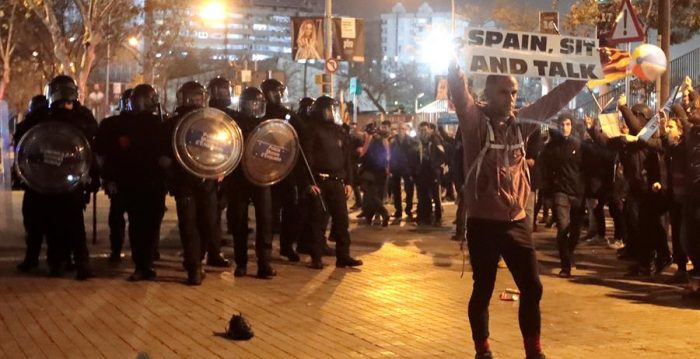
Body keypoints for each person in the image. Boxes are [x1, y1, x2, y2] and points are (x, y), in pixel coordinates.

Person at [448, 62, 586, 359]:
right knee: (483, 288)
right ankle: (482, 348)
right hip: (483, 222)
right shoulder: (473, 122)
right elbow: (459, 93)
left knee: (533, 288)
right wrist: (453, 65)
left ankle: (533, 351)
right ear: (488, 93)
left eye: (514, 92)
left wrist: (586, 72)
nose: (511, 98)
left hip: (516, 222)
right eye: (504, 92)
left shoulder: (520, 123)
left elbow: (556, 99)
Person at [14, 75, 99, 280]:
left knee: (58, 224)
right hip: (57, 180)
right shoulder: (80, 117)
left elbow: (90, 149)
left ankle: (61, 263)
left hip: (57, 180)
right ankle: (76, 264)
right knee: (71, 224)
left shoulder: (46, 116)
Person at [98, 84, 166, 281]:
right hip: (134, 181)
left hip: (151, 181)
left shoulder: (159, 123)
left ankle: (145, 263)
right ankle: (141, 264)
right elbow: (108, 153)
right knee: (138, 225)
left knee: (150, 224)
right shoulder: (120, 124)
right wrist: (109, 177)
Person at [159, 81, 218, 285]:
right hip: (184, 182)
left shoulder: (212, 122)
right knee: (188, 224)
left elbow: (224, 147)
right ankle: (194, 267)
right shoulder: (171, 124)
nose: (194, 101)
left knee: (208, 223)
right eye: (190, 97)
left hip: (207, 181)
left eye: (197, 97)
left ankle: (197, 257)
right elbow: (164, 156)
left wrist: (222, 169)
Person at [304, 95, 363, 269]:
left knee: (342, 221)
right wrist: (309, 182)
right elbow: (306, 159)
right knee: (318, 221)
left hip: (338, 181)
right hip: (319, 182)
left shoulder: (339, 131)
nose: (332, 113)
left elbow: (347, 159)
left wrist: (349, 182)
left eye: (333, 110)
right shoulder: (311, 130)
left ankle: (343, 255)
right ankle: (316, 257)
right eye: (328, 109)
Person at [226, 87, 277, 279]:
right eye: (251, 103)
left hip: (261, 178)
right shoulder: (233, 123)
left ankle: (264, 263)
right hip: (239, 178)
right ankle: (241, 263)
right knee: (239, 221)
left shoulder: (267, 125)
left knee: (265, 220)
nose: (254, 107)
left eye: (258, 103)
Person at [541, 113, 588, 278]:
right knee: (562, 228)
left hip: (578, 193)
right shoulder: (552, 147)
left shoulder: (580, 146)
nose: (564, 128)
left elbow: (587, 170)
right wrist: (547, 191)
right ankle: (565, 265)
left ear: (572, 125)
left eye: (568, 124)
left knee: (575, 230)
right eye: (562, 124)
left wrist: (589, 194)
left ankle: (569, 252)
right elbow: (545, 170)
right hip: (560, 192)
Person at [261, 78, 301, 262]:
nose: (277, 95)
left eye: (279, 91)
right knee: (268, 213)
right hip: (266, 167)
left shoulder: (288, 114)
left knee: (291, 209)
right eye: (273, 92)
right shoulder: (260, 113)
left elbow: (301, 135)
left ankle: (287, 246)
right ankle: (266, 250)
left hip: (287, 168)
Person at [95, 88, 132, 263]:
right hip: (118, 178)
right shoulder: (111, 125)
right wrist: (107, 178)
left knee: (141, 219)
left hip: (141, 179)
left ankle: (146, 251)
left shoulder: (150, 124)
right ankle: (116, 249)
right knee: (117, 218)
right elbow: (102, 154)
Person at [14, 94, 49, 272]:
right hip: (52, 181)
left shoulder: (27, 125)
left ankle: (32, 258)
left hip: (34, 182)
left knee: (33, 224)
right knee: (54, 224)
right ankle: (56, 260)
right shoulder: (55, 123)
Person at [204, 76, 234, 267]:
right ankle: (210, 251)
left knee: (216, 213)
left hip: (228, 171)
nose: (223, 94)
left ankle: (213, 249)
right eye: (219, 91)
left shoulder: (233, 116)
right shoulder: (205, 115)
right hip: (209, 171)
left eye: (226, 91)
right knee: (210, 214)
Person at [359, 121, 390, 227]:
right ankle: (369, 216)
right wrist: (387, 168)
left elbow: (363, 153)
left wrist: (359, 153)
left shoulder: (369, 138)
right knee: (375, 195)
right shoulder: (384, 140)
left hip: (370, 171)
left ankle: (384, 213)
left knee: (370, 195)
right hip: (381, 171)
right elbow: (388, 156)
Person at [414, 121, 445, 226]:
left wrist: (435, 166)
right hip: (422, 173)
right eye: (421, 130)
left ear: (429, 130)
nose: (423, 132)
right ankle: (425, 217)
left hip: (433, 172)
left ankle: (438, 218)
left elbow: (442, 155)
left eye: (425, 129)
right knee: (423, 196)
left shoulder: (435, 140)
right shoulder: (417, 142)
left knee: (436, 196)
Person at [389, 122, 416, 221]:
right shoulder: (393, 141)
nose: (401, 131)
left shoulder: (410, 141)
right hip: (396, 168)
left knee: (409, 190)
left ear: (406, 130)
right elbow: (390, 155)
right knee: (396, 191)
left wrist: (412, 168)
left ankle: (408, 209)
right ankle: (398, 210)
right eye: (399, 129)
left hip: (407, 168)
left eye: (403, 129)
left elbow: (413, 155)